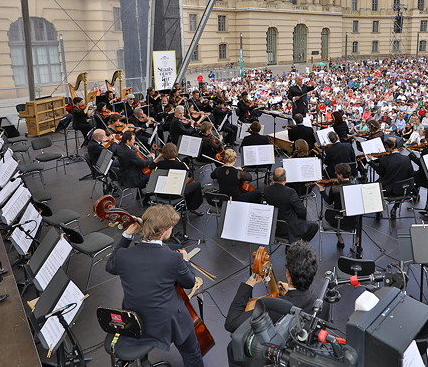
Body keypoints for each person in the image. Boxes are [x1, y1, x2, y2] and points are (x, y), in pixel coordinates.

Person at [105, 204, 204, 367]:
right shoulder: (174, 259)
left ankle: (142, 360)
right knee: (192, 353)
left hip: (135, 321)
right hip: (167, 321)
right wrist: (185, 261)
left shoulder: (123, 255)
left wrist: (127, 234)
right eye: (171, 227)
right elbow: (189, 282)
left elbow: (110, 266)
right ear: (164, 230)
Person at [224, 240, 330, 367]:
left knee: (233, 346)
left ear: (287, 274)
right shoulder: (321, 303)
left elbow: (231, 322)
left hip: (273, 359)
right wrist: (290, 292)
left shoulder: (273, 308)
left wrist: (249, 283)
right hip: (304, 357)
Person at [263, 168, 318, 242]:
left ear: (273, 178)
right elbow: (302, 211)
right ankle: (299, 245)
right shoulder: (290, 192)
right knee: (314, 226)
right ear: (285, 178)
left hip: (274, 226)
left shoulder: (266, 190)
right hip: (289, 228)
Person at [368, 136, 415, 218]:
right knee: (400, 184)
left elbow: (381, 173)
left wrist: (371, 161)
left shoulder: (384, 160)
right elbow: (411, 174)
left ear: (387, 147)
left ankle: (378, 211)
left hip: (388, 190)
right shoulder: (406, 159)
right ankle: (395, 208)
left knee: (374, 186)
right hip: (404, 189)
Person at [151, 143, 203, 213]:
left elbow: (151, 166)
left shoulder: (159, 164)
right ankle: (192, 207)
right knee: (196, 184)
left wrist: (159, 156)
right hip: (176, 194)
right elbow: (189, 175)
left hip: (161, 194)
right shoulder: (181, 165)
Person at [317, 163, 358, 250]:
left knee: (334, 213)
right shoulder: (355, 187)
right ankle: (357, 244)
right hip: (352, 221)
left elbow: (329, 201)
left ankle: (340, 240)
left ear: (340, 175)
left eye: (336, 173)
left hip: (336, 221)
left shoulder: (335, 188)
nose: (335, 174)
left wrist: (322, 191)